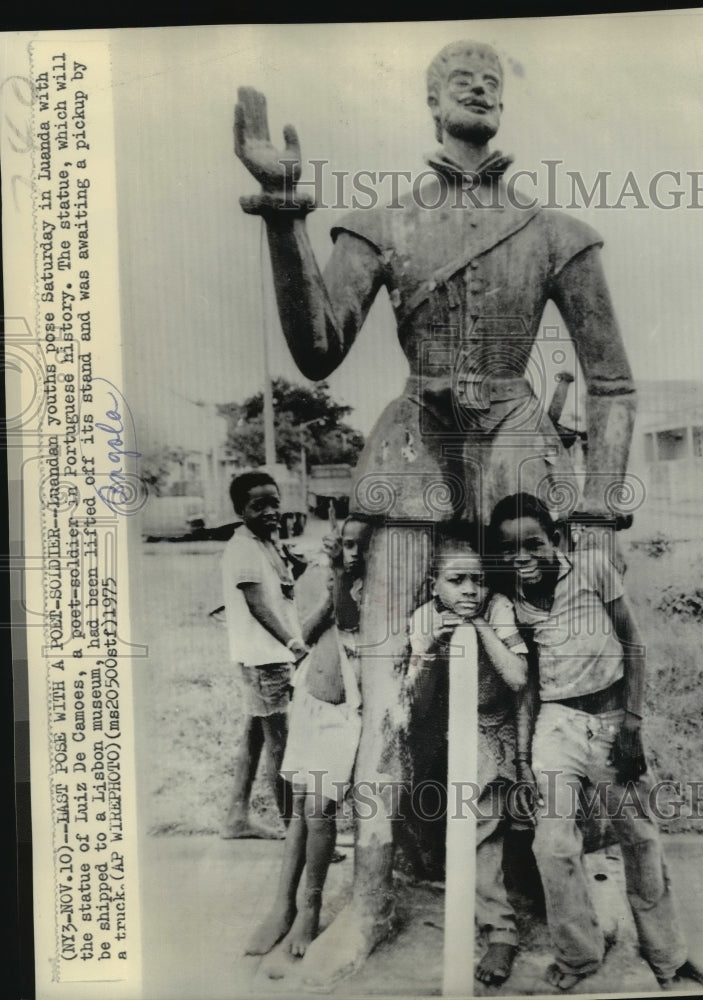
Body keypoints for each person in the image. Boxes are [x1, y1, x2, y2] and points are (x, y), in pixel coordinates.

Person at [233, 39, 637, 983]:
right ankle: (369, 901)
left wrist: (603, 510)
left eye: (495, 75)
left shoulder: (551, 232)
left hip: (518, 458)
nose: (480, 82)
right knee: (382, 689)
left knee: (545, 688)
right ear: (426, 97)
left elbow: (612, 384)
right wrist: (285, 216)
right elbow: (318, 350)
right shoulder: (379, 223)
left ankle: (547, 895)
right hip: (411, 451)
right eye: (459, 74)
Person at [488, 492, 703, 992]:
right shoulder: (514, 603)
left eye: (534, 544)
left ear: (557, 541)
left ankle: (669, 957)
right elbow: (528, 683)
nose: (523, 557)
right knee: (551, 846)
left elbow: (633, 643)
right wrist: (526, 757)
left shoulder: (591, 569)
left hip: (612, 719)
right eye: (509, 550)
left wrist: (631, 726)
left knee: (639, 837)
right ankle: (578, 957)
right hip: (557, 724)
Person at [406, 524, 529, 987]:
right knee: (442, 821)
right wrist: (433, 647)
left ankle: (501, 930)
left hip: (490, 727)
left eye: (477, 579)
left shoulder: (496, 609)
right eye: (457, 581)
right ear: (433, 585)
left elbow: (517, 678)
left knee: (480, 826)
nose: (470, 589)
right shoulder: (424, 618)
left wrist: (478, 625)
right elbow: (414, 704)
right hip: (440, 731)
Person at [246, 513, 372, 963]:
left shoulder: (370, 586)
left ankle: (310, 907)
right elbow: (306, 632)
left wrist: (339, 571)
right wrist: (328, 575)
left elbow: (351, 615)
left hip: (344, 713)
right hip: (311, 702)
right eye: (348, 545)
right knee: (300, 808)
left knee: (320, 810)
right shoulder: (328, 576)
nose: (355, 554)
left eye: (362, 546)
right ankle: (283, 906)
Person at [220, 471, 308, 839]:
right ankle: (295, 834)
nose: (271, 511)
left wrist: (294, 567)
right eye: (259, 506)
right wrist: (293, 644)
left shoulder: (265, 542)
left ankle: (236, 819)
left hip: (268, 658)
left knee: (257, 737)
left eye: (275, 502)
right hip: (265, 660)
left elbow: (280, 591)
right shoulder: (243, 548)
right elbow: (258, 605)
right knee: (282, 747)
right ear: (241, 510)